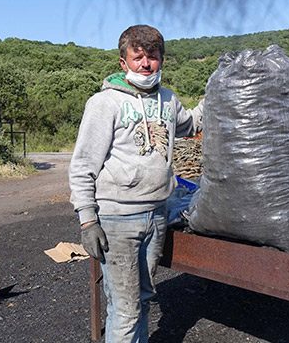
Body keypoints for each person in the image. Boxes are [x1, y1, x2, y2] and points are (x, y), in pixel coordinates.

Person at [69, 24, 203, 343]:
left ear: (162, 60)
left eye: (153, 56)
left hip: (157, 216)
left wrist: (218, 93)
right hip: (118, 220)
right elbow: (83, 166)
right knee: (126, 309)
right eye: (138, 56)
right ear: (123, 62)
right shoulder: (105, 104)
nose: (146, 64)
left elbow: (190, 124)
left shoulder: (168, 101)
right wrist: (88, 221)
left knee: (141, 300)